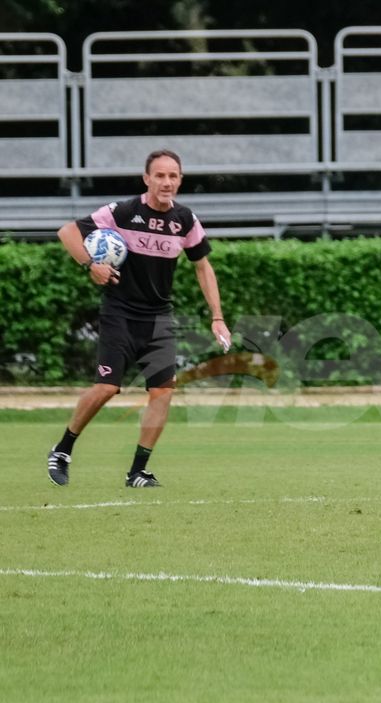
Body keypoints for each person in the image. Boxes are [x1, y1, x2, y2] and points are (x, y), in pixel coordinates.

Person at [47, 149, 231, 488]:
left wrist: (217, 317)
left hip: (158, 317)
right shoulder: (123, 211)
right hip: (120, 312)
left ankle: (137, 472)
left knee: (162, 392)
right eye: (159, 175)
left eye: (173, 176)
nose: (167, 182)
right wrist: (91, 265)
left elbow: (203, 266)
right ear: (146, 179)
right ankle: (62, 449)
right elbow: (68, 232)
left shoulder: (185, 220)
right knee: (107, 387)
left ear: (180, 180)